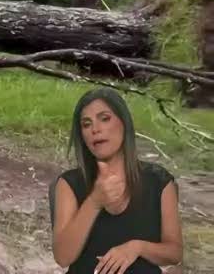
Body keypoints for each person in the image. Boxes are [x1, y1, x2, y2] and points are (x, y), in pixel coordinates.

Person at [51, 88, 183, 274]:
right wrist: (94, 202)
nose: (95, 129)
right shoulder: (70, 183)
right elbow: (63, 257)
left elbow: (174, 253)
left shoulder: (158, 181)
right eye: (86, 124)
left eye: (104, 118)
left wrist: (136, 248)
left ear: (124, 123)